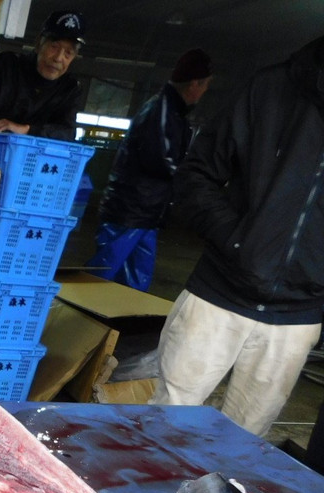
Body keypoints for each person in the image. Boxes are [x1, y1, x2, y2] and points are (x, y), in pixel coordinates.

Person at [149, 35, 324, 437]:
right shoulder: (272, 87)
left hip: (294, 320)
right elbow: (197, 173)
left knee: (243, 447)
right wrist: (237, 241)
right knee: (163, 430)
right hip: (219, 296)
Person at [86, 49, 213, 291]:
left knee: (136, 277)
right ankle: (77, 320)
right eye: (206, 85)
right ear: (195, 84)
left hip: (147, 212)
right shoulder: (161, 109)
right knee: (102, 272)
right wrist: (194, 179)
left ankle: (122, 324)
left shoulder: (173, 111)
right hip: (130, 211)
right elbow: (160, 160)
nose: (205, 91)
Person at [0, 10, 86, 141]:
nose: (59, 58)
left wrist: (26, 130)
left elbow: (68, 133)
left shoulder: (70, 89)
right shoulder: (6, 66)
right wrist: (7, 129)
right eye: (54, 47)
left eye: (68, 53)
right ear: (38, 44)